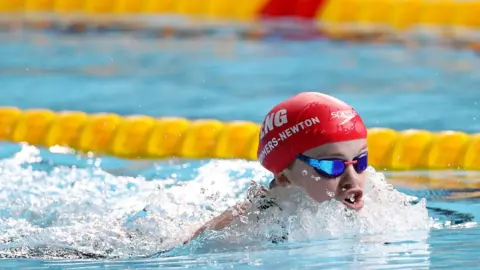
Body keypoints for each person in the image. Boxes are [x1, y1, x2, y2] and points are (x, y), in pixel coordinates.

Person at [185, 92, 369, 243]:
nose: (352, 180)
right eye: (332, 166)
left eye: (361, 161)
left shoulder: (380, 203)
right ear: (284, 177)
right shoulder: (244, 231)